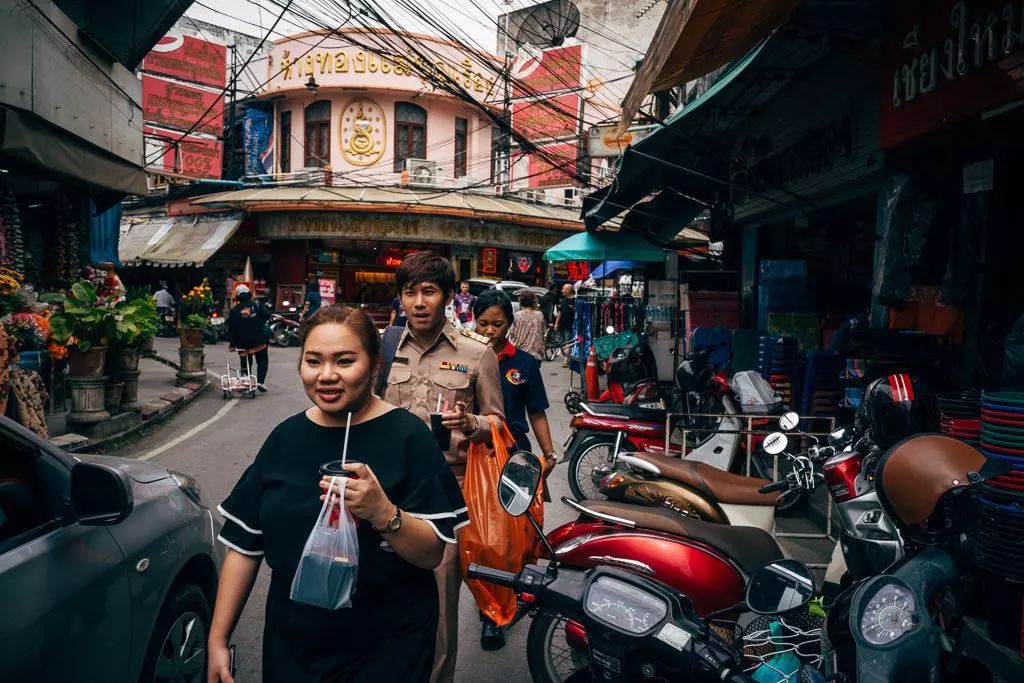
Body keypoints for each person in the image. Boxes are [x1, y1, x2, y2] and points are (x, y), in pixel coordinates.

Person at [208, 306, 467, 682]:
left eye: (344, 361)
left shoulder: (409, 437)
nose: (327, 375)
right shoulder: (284, 439)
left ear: (374, 365)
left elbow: (431, 554)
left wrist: (384, 514)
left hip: (388, 647)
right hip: (294, 644)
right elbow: (245, 545)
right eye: (314, 361)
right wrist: (218, 638)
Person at [378, 252, 504, 681]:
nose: (418, 302)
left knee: (439, 611)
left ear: (448, 297)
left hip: (444, 495)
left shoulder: (477, 352)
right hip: (384, 493)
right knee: (380, 602)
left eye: (428, 291)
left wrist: (473, 423)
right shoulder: (384, 346)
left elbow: (499, 424)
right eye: (409, 292)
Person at [473, 289, 557, 479]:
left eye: (497, 324)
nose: (490, 331)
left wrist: (549, 455)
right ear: (475, 320)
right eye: (483, 323)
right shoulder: (465, 359)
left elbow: (536, 411)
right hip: (472, 451)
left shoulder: (525, 363)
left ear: (510, 323)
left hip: (514, 452)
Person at [227, 284, 270, 392]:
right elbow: (266, 315)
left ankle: (246, 382)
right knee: (262, 360)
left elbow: (232, 329)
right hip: (258, 339)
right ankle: (260, 382)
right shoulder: (257, 304)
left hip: (242, 342)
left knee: (245, 361)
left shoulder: (234, 310)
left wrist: (232, 344)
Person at [509, 290, 546, 361]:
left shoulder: (516, 315)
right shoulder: (539, 315)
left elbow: (511, 332)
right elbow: (543, 332)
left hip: (518, 352)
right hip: (535, 355)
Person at [554, 283, 576, 366]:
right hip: (561, 325)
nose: (562, 290)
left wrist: (573, 308)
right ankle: (568, 357)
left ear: (569, 290)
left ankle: (566, 360)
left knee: (568, 342)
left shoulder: (575, 300)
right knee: (561, 343)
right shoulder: (563, 300)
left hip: (570, 325)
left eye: (564, 289)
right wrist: (556, 323)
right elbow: (559, 312)